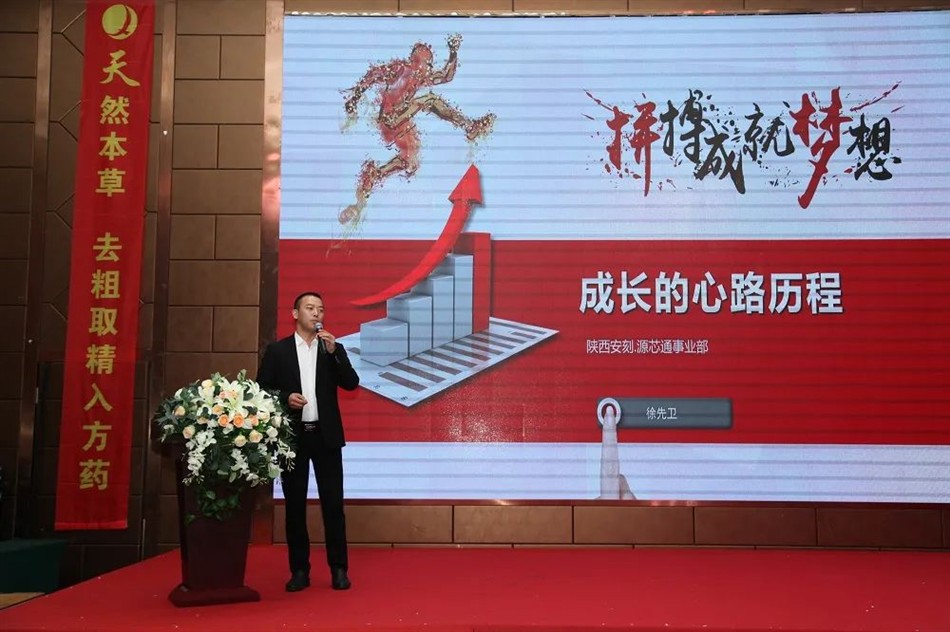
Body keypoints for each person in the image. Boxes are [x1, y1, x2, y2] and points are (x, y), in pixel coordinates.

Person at [337, 33, 496, 238]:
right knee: (429, 100)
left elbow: (446, 76)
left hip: (401, 121)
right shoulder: (400, 69)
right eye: (428, 63)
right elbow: (373, 75)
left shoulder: (421, 77)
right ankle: (470, 127)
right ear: (417, 60)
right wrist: (354, 98)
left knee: (410, 162)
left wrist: (453, 53)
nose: (430, 68)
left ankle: (363, 197)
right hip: (390, 119)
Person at [257, 292, 360, 591]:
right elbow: (261, 389)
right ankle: (299, 570)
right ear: (295, 314)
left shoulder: (332, 348)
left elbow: (351, 383)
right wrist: (284, 397)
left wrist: (335, 353)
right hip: (294, 438)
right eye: (310, 308)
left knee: (333, 505)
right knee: (294, 506)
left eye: (321, 309)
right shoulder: (278, 351)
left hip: (326, 437)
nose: (316, 314)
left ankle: (339, 569)